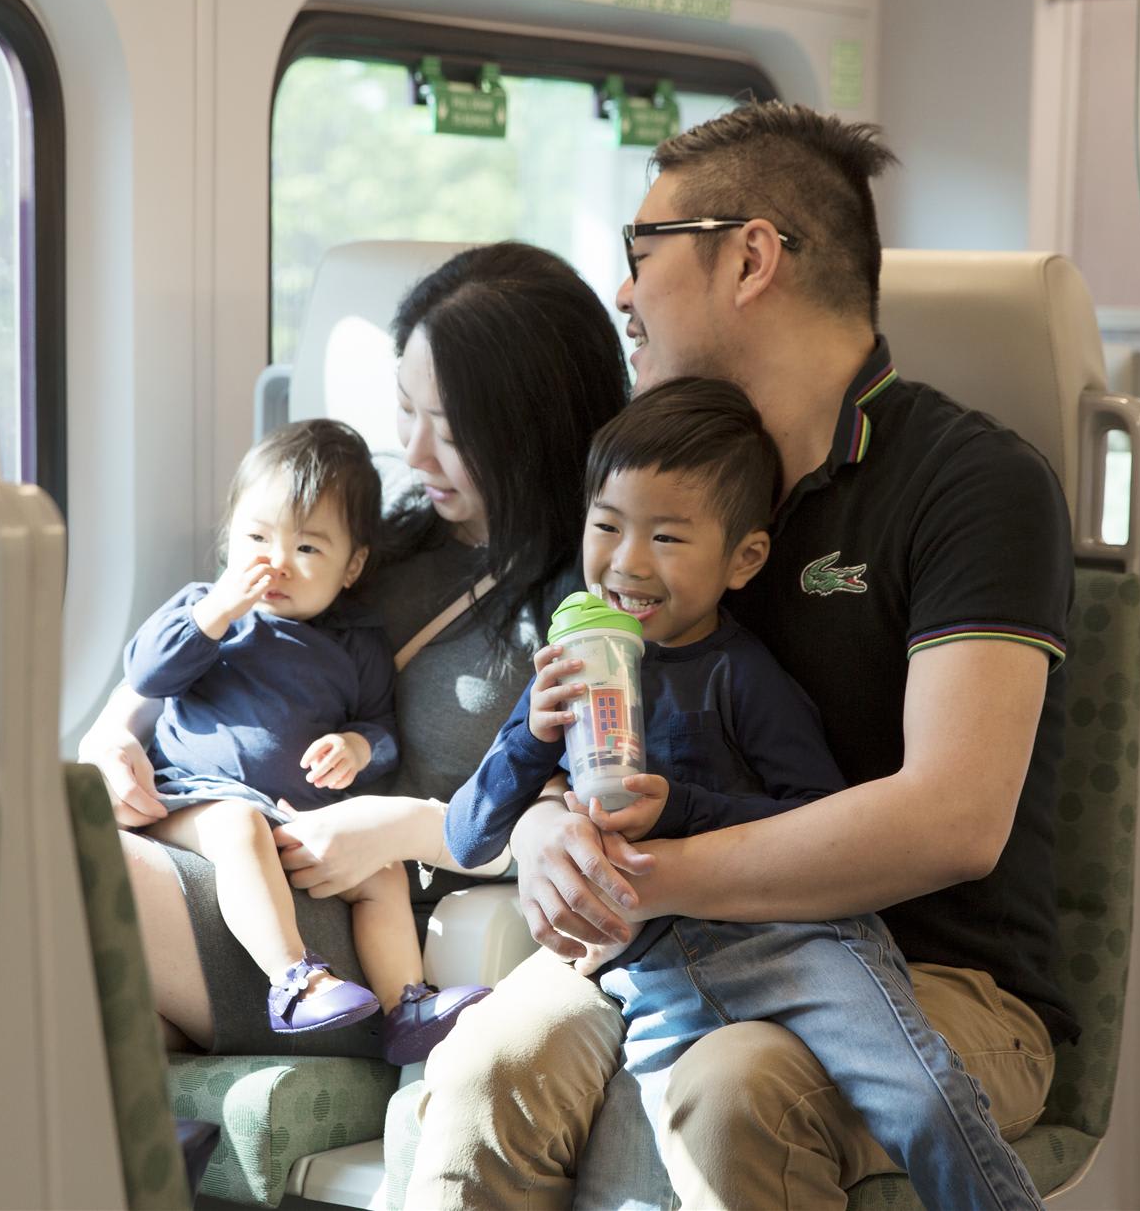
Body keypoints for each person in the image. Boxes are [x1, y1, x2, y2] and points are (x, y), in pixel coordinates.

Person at [407, 102, 1075, 1210]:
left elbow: (951, 820)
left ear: (750, 257)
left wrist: (644, 876)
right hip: (667, 936)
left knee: (733, 1088)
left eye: (642, 252)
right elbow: (573, 728)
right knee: (484, 1067)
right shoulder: (657, 480)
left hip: (938, 973)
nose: (621, 292)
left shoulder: (972, 485)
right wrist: (541, 835)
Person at [445, 377, 1043, 1211]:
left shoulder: (742, 675)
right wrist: (530, 738)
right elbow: (466, 837)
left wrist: (679, 814)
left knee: (919, 1093)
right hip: (653, 970)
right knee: (643, 1174)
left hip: (797, 944)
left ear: (744, 560)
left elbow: (814, 821)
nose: (626, 563)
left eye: (666, 537)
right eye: (606, 526)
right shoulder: (569, 679)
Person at [80, 241, 630, 1064]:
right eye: (406, 412)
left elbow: (582, 832)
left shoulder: (582, 599)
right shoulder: (382, 532)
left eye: (449, 431)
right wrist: (108, 734)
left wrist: (397, 828)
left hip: (356, 924)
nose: (412, 454)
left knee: (44, 857)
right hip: (230, 843)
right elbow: (219, 641)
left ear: (529, 429)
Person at [122, 417, 489, 1060]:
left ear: (352, 568)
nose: (275, 563)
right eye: (256, 537)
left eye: (308, 549)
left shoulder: (355, 646)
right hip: (193, 799)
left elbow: (382, 729)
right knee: (238, 827)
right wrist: (213, 616)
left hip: (295, 822)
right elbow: (148, 673)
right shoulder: (210, 613)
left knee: (383, 874)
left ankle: (409, 1003)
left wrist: (357, 746)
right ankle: (293, 980)